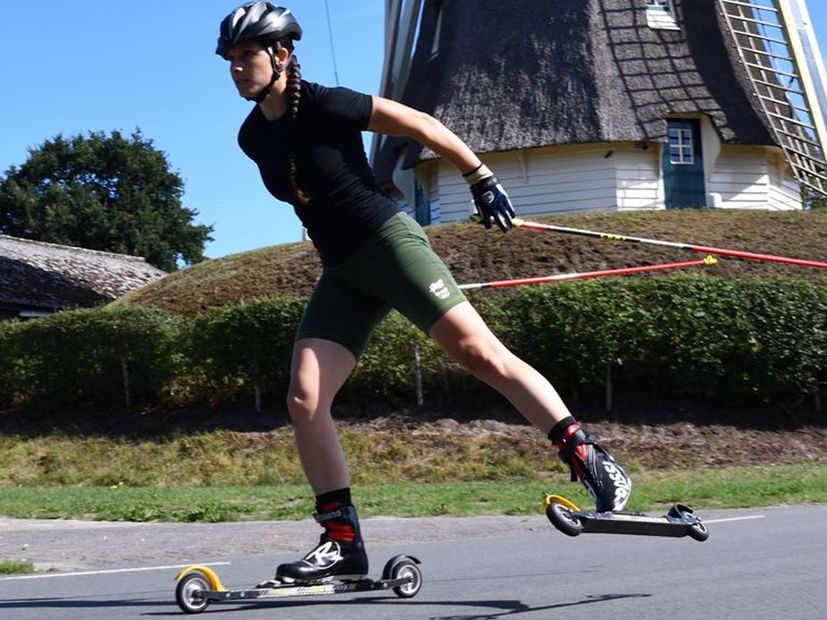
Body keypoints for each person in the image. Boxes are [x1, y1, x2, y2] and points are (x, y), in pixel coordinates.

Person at [216, 1, 632, 584]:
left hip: (388, 243)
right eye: (229, 59)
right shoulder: (251, 136)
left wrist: (480, 177)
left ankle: (593, 462)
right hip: (343, 270)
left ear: (281, 54)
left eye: (246, 55)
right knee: (305, 399)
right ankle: (342, 541)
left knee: (479, 353)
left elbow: (422, 126)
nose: (236, 67)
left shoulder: (332, 103)